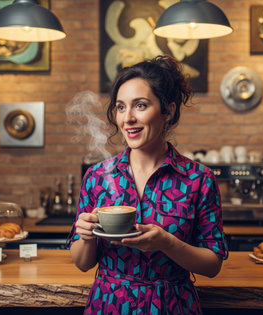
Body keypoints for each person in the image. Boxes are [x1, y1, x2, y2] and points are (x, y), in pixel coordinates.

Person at [68, 55, 228, 314]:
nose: (127, 118)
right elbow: (83, 263)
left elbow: (212, 265)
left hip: (172, 306)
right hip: (110, 305)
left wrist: (167, 243)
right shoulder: (97, 177)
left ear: (169, 111)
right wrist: (85, 235)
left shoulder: (199, 179)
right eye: (121, 107)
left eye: (140, 105)